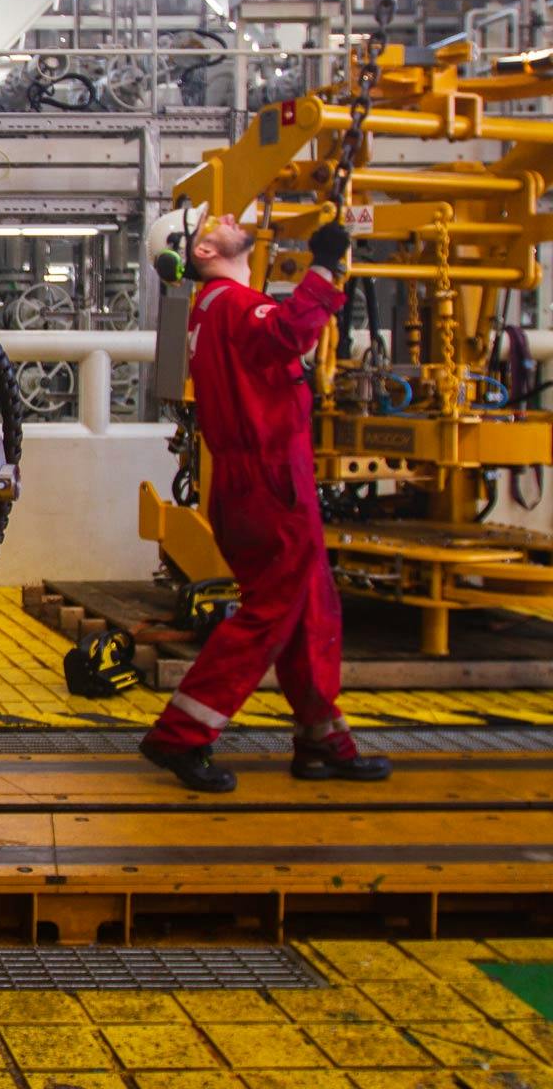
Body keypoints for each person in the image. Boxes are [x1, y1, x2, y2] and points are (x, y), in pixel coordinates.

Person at [141, 213, 393, 793]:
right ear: (205, 247)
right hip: (270, 478)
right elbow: (290, 332)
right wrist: (325, 267)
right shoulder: (231, 302)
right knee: (272, 613)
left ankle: (322, 740)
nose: (230, 215)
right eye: (216, 219)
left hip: (252, 476)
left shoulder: (213, 309)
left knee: (310, 611)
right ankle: (182, 733)